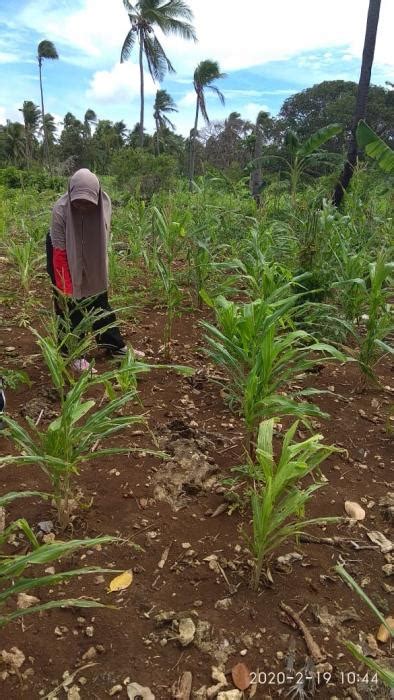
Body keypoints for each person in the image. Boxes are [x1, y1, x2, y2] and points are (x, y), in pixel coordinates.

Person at [47, 168, 139, 372]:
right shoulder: (60, 210)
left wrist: (98, 275)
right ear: (70, 193)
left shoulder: (104, 204)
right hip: (61, 249)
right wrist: (67, 288)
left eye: (87, 201)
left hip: (91, 246)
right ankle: (72, 352)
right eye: (77, 201)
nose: (81, 206)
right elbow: (60, 255)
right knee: (68, 305)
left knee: (99, 297)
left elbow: (101, 240)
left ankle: (113, 345)